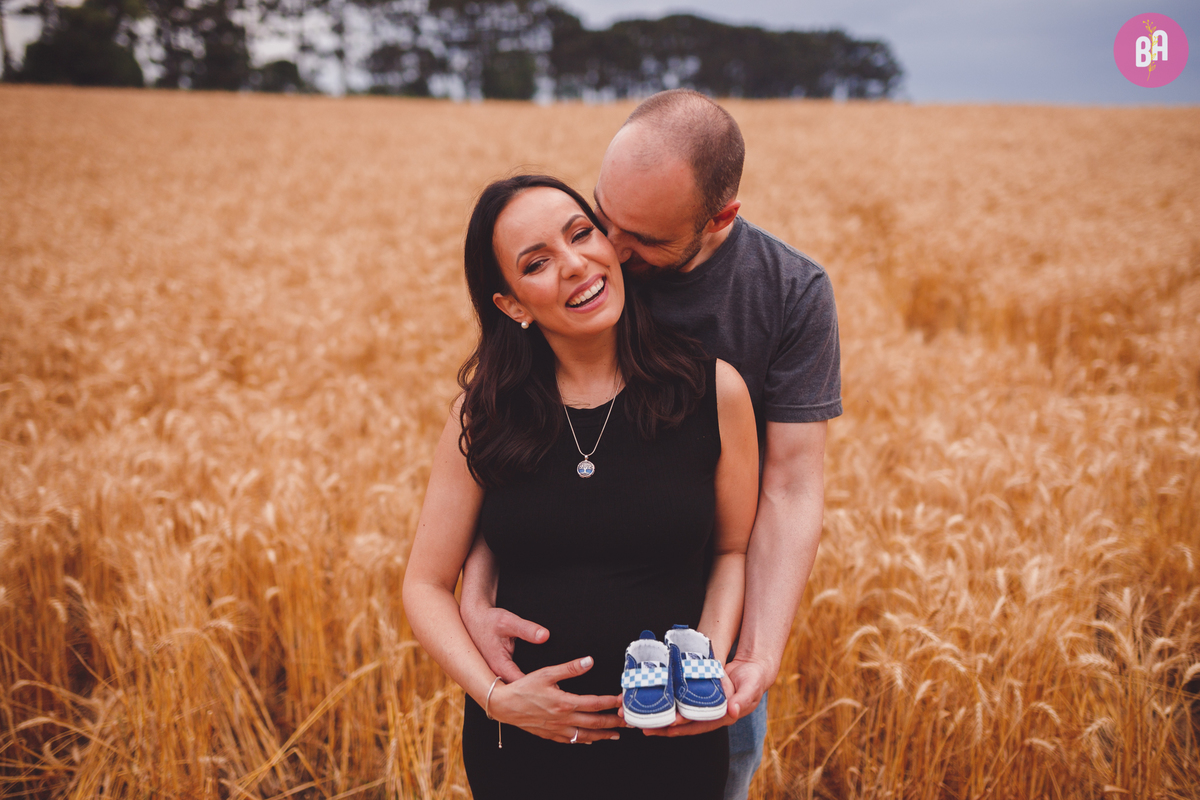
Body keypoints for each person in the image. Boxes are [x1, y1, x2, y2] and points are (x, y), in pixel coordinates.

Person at [459, 90, 842, 799]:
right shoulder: (584, 256)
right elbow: (517, 452)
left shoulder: (788, 293)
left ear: (719, 218)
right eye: (603, 216)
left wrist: (752, 653)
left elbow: (789, 488)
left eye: (643, 239)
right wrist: (474, 592)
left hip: (702, 642)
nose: (608, 251)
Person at [402, 174, 759, 799]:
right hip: (525, 749)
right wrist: (497, 699)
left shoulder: (711, 390)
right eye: (536, 263)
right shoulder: (484, 414)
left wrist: (703, 662)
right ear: (512, 304)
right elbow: (425, 585)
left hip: (671, 741)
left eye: (580, 234)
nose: (573, 264)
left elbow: (732, 550)